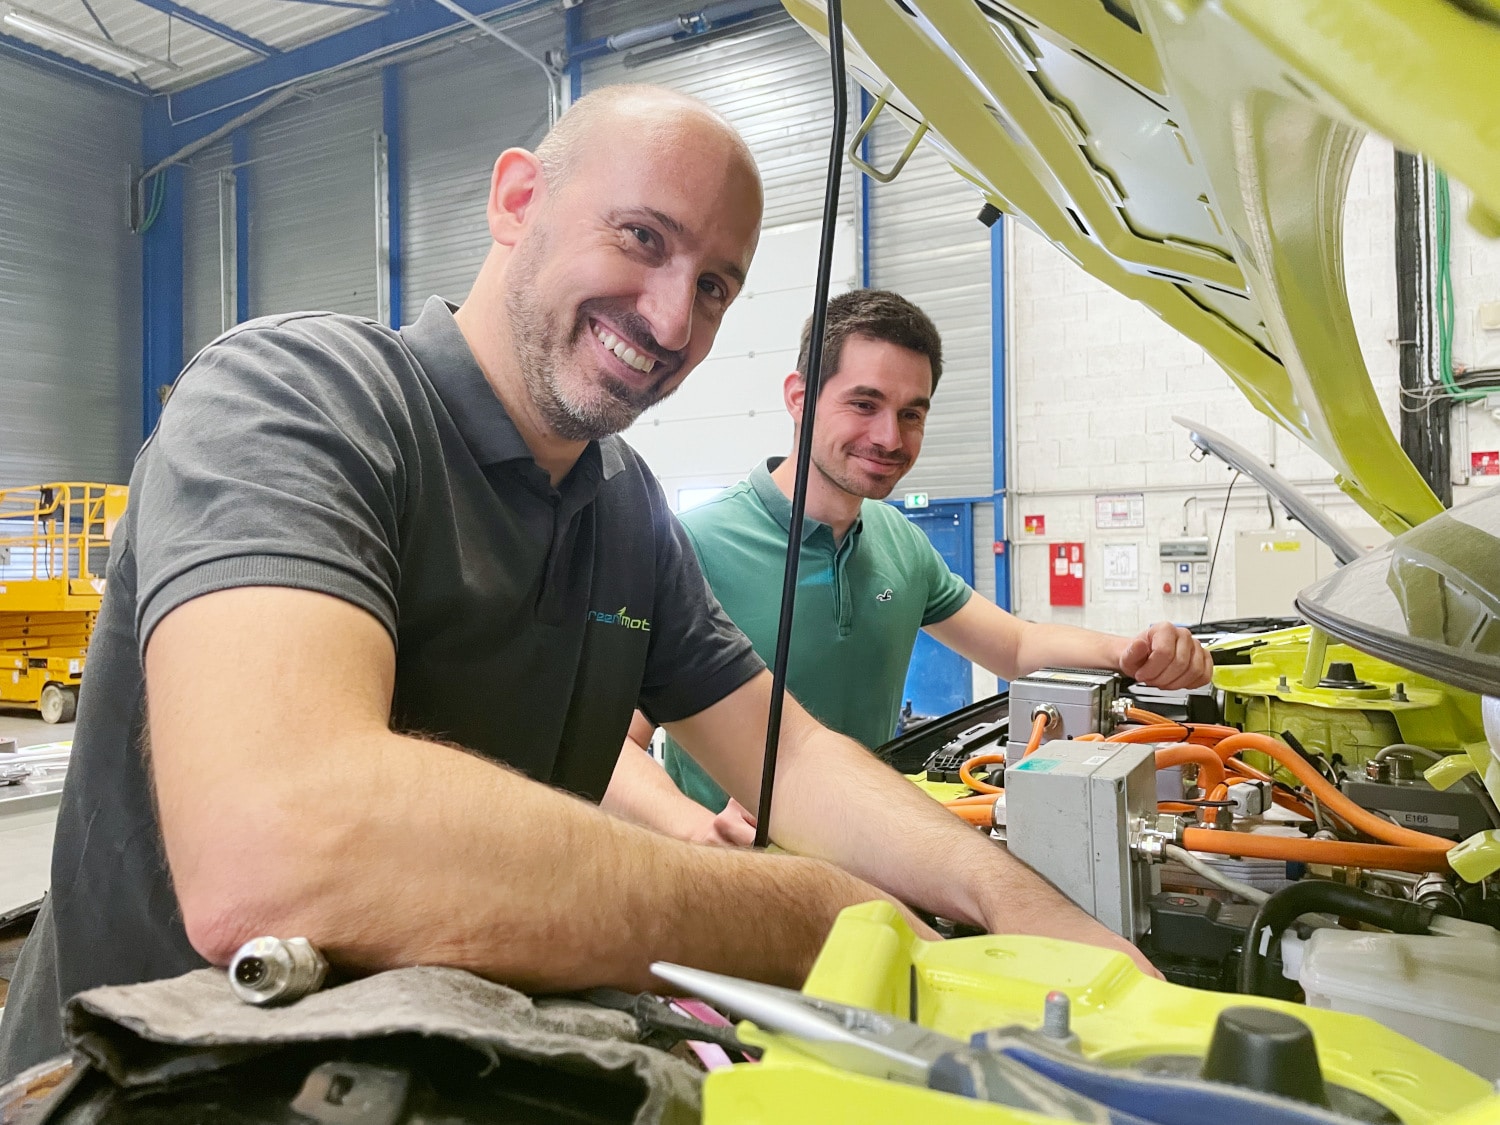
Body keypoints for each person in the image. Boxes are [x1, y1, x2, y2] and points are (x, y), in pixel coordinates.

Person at [0, 86, 1157, 1079]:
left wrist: (1018, 904)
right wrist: (808, 909)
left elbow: (789, 755)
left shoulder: (624, 510)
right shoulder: (301, 395)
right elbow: (278, 849)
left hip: (447, 1068)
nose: (669, 319)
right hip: (155, 1082)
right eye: (644, 239)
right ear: (516, 201)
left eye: (713, 287)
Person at [601, 289, 1213, 828]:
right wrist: (695, 833)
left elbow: (1016, 647)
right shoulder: (694, 546)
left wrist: (1128, 653)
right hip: (736, 884)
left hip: (876, 854)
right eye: (864, 404)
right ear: (798, 396)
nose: (890, 438)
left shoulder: (898, 541)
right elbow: (615, 746)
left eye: (911, 413)